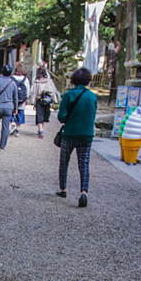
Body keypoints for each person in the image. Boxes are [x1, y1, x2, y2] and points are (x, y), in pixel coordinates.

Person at [55, 67, 98, 208]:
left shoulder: (68, 95)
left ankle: (63, 189)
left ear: (73, 80)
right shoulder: (92, 96)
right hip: (86, 134)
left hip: (70, 133)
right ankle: (84, 192)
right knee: (84, 163)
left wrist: (68, 118)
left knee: (64, 161)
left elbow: (61, 117)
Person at [30, 65, 61, 139]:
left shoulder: (36, 81)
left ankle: (40, 130)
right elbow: (53, 90)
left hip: (39, 100)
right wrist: (54, 100)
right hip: (47, 100)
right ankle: (41, 129)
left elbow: (33, 92)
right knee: (44, 115)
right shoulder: (49, 80)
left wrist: (32, 101)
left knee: (39, 115)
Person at [10, 63, 31, 136]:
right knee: (20, 113)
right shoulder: (25, 79)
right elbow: (28, 90)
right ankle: (18, 130)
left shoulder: (12, 78)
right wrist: (26, 98)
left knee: (11, 113)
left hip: (13, 99)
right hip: (22, 99)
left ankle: (13, 125)